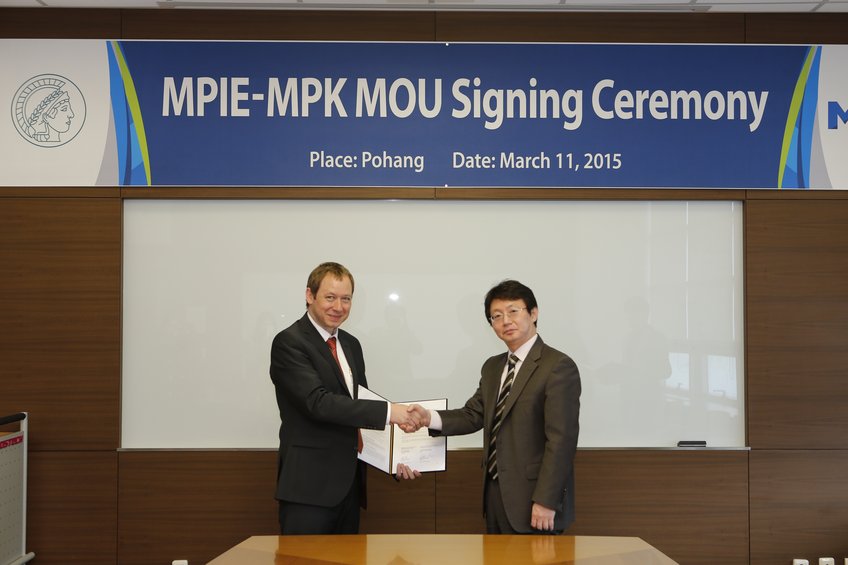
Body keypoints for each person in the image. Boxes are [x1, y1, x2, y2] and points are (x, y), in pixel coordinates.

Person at [403, 280, 581, 534]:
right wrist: (427, 418)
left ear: (533, 313)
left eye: (513, 311)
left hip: (536, 499)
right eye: (496, 316)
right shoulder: (493, 367)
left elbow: (562, 440)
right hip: (495, 495)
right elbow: (473, 415)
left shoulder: (557, 366)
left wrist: (546, 500)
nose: (505, 321)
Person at [270, 261, 418, 534]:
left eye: (346, 299)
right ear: (309, 295)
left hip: (348, 489)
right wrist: (391, 412)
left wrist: (393, 457)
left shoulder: (350, 344)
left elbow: (358, 408)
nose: (338, 307)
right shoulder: (289, 342)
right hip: (308, 491)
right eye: (330, 297)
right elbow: (319, 403)